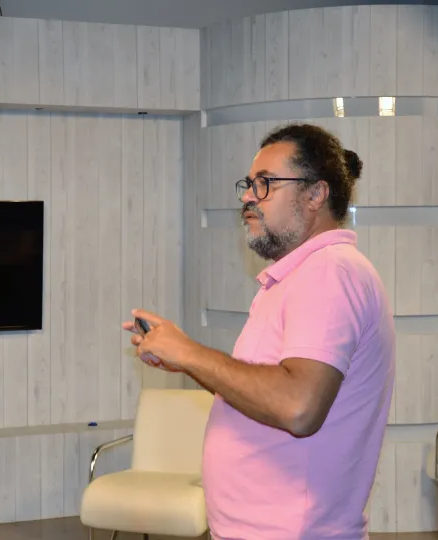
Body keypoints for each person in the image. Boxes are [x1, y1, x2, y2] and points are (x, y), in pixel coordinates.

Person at [123, 123, 396, 539]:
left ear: (315, 194)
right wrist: (185, 360)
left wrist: (190, 352)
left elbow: (298, 407)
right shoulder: (300, 276)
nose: (248, 197)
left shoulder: (329, 273)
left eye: (265, 183)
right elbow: (268, 394)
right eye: (249, 184)